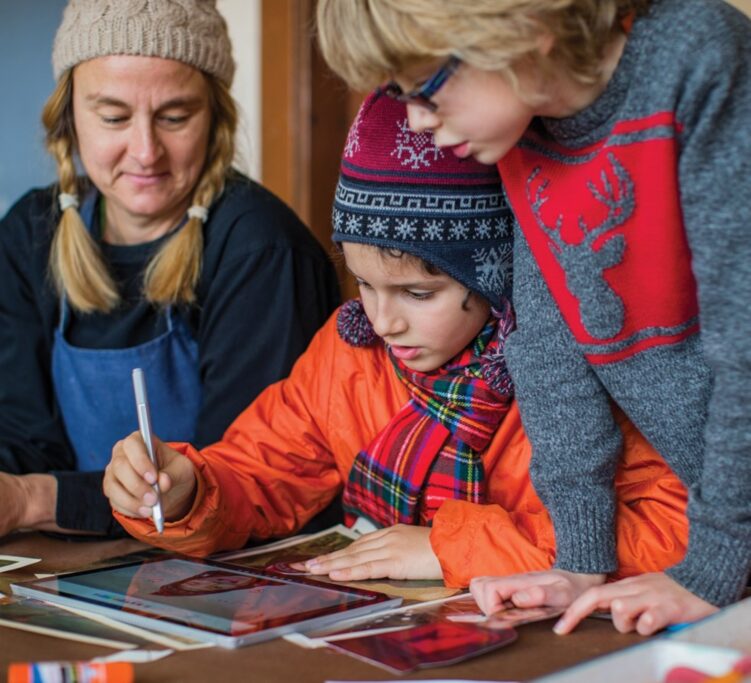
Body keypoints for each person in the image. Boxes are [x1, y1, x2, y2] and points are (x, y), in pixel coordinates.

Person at [102, 92, 688, 589]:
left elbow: (677, 529)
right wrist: (185, 494)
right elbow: (260, 475)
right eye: (364, 284)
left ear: (494, 275)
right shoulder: (348, 353)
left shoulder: (579, 369)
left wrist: (448, 549)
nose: (383, 322)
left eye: (418, 293)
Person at [315, 0, 751, 634]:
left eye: (426, 87)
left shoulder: (697, 54)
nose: (416, 121)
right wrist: (580, 560)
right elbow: (548, 351)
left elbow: (745, 343)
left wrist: (712, 567)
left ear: (518, 24)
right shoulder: (526, 129)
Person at [0, 0, 340, 538]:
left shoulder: (262, 250)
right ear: (68, 118)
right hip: (78, 565)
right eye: (113, 116)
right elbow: (22, 441)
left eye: (175, 117)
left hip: (236, 579)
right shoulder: (28, 235)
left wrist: (34, 499)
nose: (145, 151)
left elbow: (243, 483)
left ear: (216, 119)